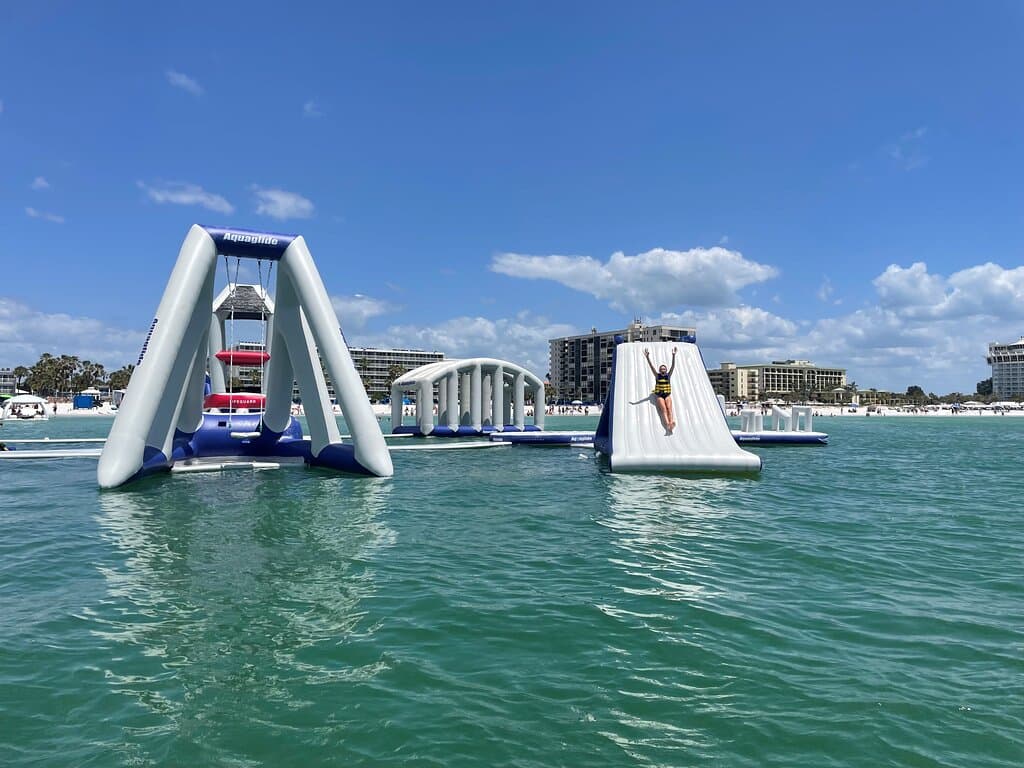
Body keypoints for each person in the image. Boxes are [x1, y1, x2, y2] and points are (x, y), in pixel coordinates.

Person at [644, 347, 678, 433]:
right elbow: (651, 367)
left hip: (667, 395)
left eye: (664, 368)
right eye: (662, 368)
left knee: (669, 408)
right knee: (664, 409)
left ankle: (671, 423)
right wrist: (647, 357)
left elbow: (673, 366)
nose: (663, 369)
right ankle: (667, 424)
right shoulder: (657, 376)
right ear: (659, 370)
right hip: (659, 395)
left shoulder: (668, 375)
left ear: (666, 370)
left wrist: (673, 355)